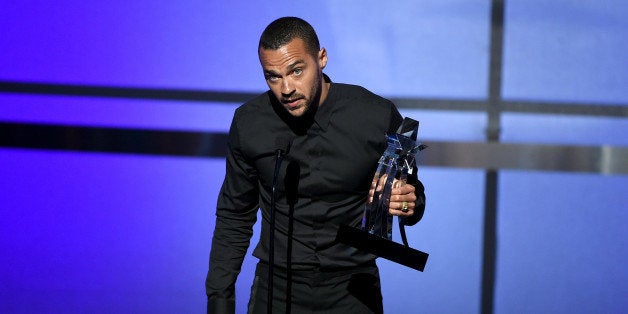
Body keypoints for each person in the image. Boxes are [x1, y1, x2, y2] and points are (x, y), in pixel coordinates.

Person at [205, 16, 426, 314]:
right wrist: (219, 301)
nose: (286, 88)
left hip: (353, 287)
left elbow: (412, 193)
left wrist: (408, 205)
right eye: (273, 76)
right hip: (277, 285)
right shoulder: (249, 123)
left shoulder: (375, 115)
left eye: (297, 71)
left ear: (321, 58)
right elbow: (234, 214)